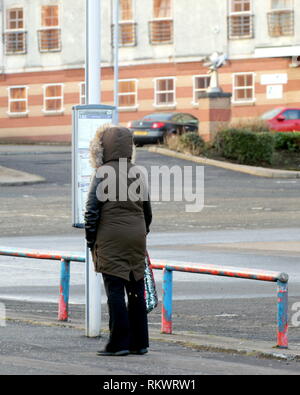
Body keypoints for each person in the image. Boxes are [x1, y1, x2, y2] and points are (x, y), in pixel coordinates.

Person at [84, 125, 152, 357]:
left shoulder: (103, 172)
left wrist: (91, 239)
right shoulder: (137, 172)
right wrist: (141, 233)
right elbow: (147, 211)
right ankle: (139, 342)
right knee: (135, 289)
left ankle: (119, 343)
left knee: (115, 290)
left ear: (103, 148)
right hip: (136, 237)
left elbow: (92, 211)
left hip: (111, 238)